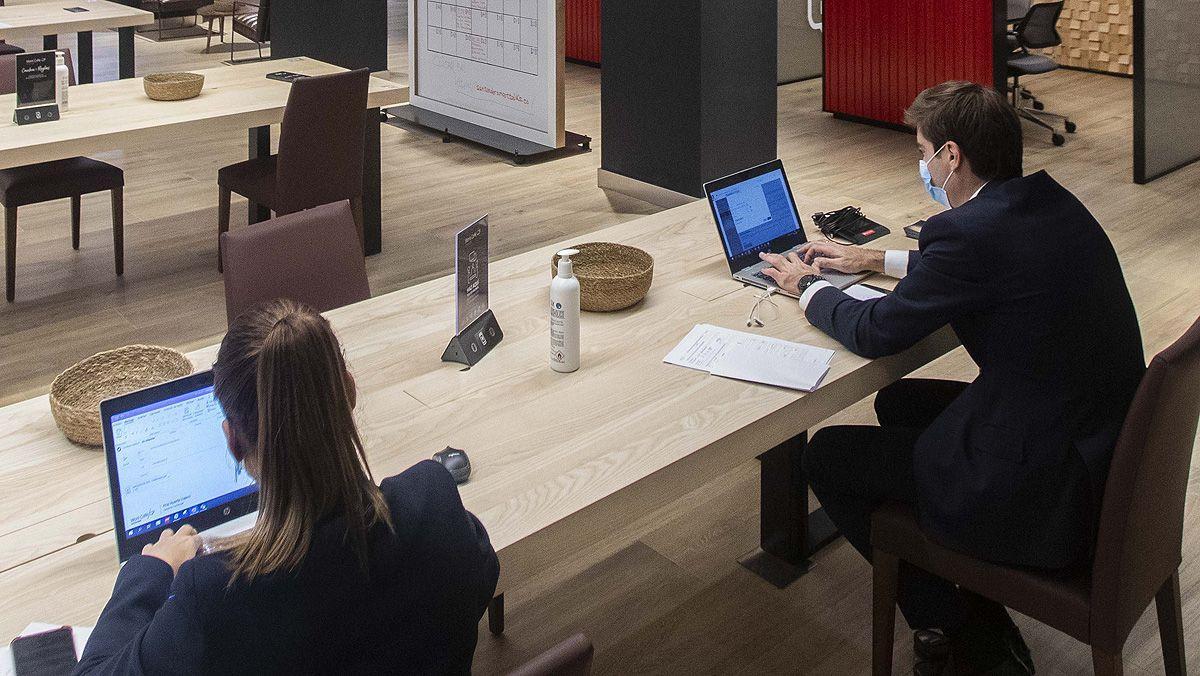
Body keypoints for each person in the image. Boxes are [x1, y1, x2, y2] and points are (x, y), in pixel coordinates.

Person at [759, 81, 1144, 674]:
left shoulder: (969, 234)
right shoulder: (1045, 202)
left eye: (923, 150)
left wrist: (807, 288)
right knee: (902, 399)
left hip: (1047, 484)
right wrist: (871, 259)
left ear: (952, 155)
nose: (923, 165)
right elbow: (989, 265)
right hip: (1098, 443)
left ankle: (959, 630)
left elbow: (877, 331)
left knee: (829, 455)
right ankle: (956, 579)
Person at [75, 299, 499, 675]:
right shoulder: (432, 501)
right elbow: (481, 573)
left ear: (232, 441)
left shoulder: (211, 597)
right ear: (348, 393)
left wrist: (149, 570)